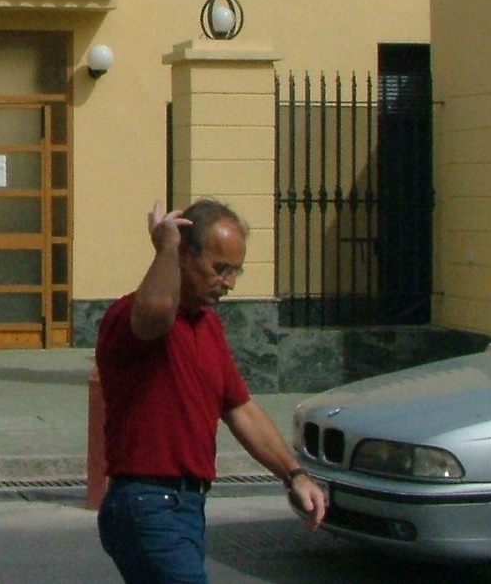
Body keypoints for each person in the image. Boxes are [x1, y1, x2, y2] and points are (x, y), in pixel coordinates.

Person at [96, 198, 327, 583]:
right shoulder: (131, 317)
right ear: (186, 255)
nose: (230, 283)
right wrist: (166, 245)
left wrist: (294, 475)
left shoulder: (208, 328)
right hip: (147, 503)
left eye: (236, 272)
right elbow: (154, 310)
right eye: (220, 269)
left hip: (187, 506)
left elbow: (241, 409)